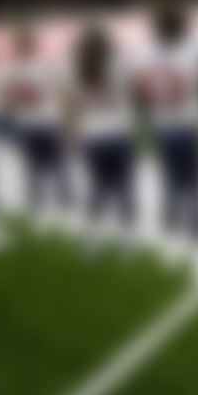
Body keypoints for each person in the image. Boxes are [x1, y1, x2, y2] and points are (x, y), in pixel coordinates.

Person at [134, 3, 198, 251]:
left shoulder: (145, 54)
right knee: (197, 180)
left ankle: (170, 220)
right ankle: (197, 225)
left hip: (164, 125)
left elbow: (142, 91)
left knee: (170, 178)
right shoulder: (194, 51)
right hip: (191, 124)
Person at [70, 25, 140, 252]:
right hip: (119, 135)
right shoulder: (121, 65)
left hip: (92, 136)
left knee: (95, 190)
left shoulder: (78, 70)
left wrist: (73, 136)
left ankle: (92, 239)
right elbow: (135, 92)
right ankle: (128, 239)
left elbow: (74, 107)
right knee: (124, 189)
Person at [0, 26, 73, 223]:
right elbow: (62, 92)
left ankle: (39, 202)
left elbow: (8, 102)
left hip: (30, 124)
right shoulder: (44, 66)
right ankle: (61, 200)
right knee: (53, 165)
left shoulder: (12, 70)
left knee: (37, 168)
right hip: (45, 122)